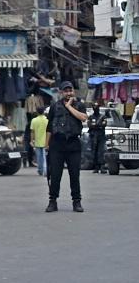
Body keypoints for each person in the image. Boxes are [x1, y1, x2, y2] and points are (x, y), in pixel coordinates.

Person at [46, 82, 88, 213]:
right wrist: (46, 144)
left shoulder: (79, 105)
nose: (69, 93)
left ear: (73, 92)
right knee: (55, 175)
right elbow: (49, 127)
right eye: (66, 91)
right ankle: (52, 201)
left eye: (70, 91)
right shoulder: (54, 107)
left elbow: (83, 118)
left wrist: (69, 107)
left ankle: (77, 202)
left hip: (73, 144)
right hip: (57, 145)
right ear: (61, 92)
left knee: (74, 175)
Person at [87, 103, 107, 174]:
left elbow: (104, 124)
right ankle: (96, 167)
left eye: (97, 107)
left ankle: (102, 166)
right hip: (93, 136)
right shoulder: (90, 117)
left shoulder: (102, 116)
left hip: (101, 136)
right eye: (94, 107)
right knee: (94, 151)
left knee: (101, 151)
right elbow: (89, 125)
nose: (95, 108)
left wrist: (96, 125)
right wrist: (98, 125)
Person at [30, 107, 49, 177]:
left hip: (37, 141)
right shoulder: (47, 120)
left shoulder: (34, 120)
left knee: (39, 157)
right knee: (45, 157)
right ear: (44, 112)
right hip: (46, 141)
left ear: (37, 112)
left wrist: (31, 140)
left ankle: (40, 170)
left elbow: (32, 132)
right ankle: (45, 171)